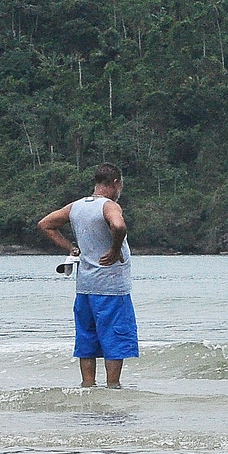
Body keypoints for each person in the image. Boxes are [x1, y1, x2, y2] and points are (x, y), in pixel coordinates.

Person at [37, 163, 138, 388]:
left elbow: (45, 224)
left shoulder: (76, 207)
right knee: (115, 339)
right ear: (115, 183)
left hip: (85, 287)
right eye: (120, 184)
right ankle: (113, 388)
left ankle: (88, 387)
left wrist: (70, 247)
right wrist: (114, 249)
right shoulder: (109, 206)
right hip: (111, 287)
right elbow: (119, 226)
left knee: (87, 340)